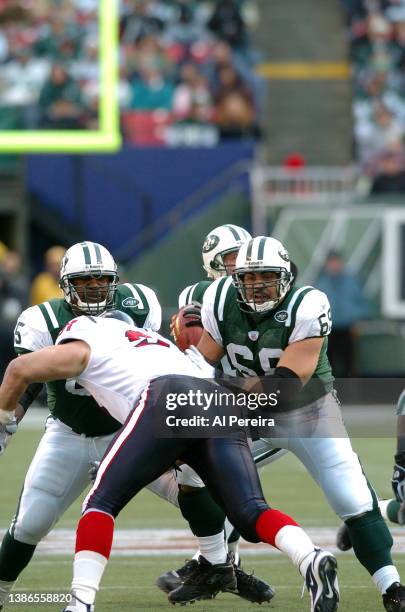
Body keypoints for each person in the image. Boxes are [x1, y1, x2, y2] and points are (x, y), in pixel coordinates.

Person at [0, 312, 339, 612]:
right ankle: (310, 557)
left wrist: (3, 419)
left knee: (100, 502)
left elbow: (20, 368)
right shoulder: (156, 345)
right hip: (216, 399)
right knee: (251, 510)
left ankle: (81, 601)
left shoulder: (89, 334)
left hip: (165, 397)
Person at [183, 236, 403, 611]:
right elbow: (201, 362)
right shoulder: (219, 299)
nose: (258, 286)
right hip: (247, 413)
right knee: (191, 474)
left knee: (350, 497)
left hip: (308, 412)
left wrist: (222, 392)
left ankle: (391, 587)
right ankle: (217, 563)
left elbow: (285, 384)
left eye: (267, 277)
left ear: (286, 277)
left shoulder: (308, 303)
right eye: (249, 278)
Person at [0, 241, 178, 611]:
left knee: (197, 487)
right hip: (69, 432)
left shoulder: (139, 305)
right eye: (84, 281)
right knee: (31, 523)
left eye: (101, 280)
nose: (95, 288)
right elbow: (28, 385)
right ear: (65, 285)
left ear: (115, 280)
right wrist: (5, 424)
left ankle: (220, 563)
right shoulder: (43, 320)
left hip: (129, 429)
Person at [315, 250, 370, 377]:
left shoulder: (352, 281)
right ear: (327, 264)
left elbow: (363, 304)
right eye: (331, 262)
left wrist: (355, 318)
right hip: (328, 332)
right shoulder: (320, 283)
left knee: (349, 364)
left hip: (348, 330)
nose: (334, 265)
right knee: (328, 363)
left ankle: (348, 391)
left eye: (336, 262)